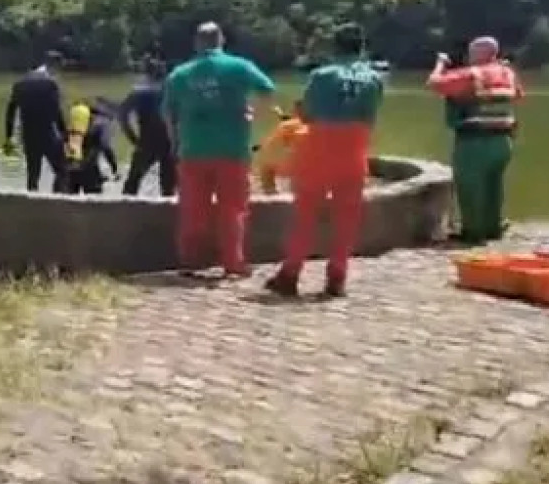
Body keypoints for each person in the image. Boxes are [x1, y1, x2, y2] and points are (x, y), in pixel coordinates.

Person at [265, 23, 385, 298]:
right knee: (347, 218)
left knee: (305, 215)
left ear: (335, 46)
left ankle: (291, 273)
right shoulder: (375, 79)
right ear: (362, 47)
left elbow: (307, 115)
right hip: (354, 149)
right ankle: (337, 277)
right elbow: (371, 116)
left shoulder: (321, 76)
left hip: (319, 148)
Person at [163, 22, 275, 277]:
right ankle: (232, 263)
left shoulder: (180, 74)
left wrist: (175, 143)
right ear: (221, 40)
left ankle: (190, 260)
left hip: (193, 149)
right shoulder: (239, 66)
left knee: (192, 207)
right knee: (233, 208)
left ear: (196, 43)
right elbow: (268, 90)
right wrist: (252, 114)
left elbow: (169, 114)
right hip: (232, 149)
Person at [427, 36, 523, 244]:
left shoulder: (472, 74)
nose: (468, 57)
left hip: (475, 141)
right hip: (503, 141)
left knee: (470, 186)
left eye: (471, 53)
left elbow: (434, 84)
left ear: (478, 54)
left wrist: (441, 64)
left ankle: (473, 232)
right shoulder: (508, 73)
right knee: (494, 185)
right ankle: (493, 226)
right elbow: (518, 96)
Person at [3, 51, 68, 192]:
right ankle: (58, 202)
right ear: (55, 66)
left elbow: (10, 112)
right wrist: (66, 137)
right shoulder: (50, 84)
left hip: (28, 136)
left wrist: (8, 137)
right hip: (48, 135)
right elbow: (57, 112)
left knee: (32, 175)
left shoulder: (20, 83)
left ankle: (32, 207)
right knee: (62, 171)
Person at [119, 56, 177, 196]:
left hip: (146, 140)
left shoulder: (139, 92)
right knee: (168, 185)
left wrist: (132, 137)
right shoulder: (172, 91)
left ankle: (126, 211)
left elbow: (123, 116)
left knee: (132, 182)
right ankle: (167, 215)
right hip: (168, 140)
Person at [63, 100, 120, 194]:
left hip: (70, 165)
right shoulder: (103, 123)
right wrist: (114, 167)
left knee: (68, 203)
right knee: (93, 205)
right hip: (89, 169)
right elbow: (105, 146)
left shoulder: (79, 118)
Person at [254, 100, 307, 195]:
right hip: (295, 163)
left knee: (266, 168)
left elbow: (272, 143)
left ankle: (270, 191)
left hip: (272, 161)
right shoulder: (311, 124)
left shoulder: (288, 124)